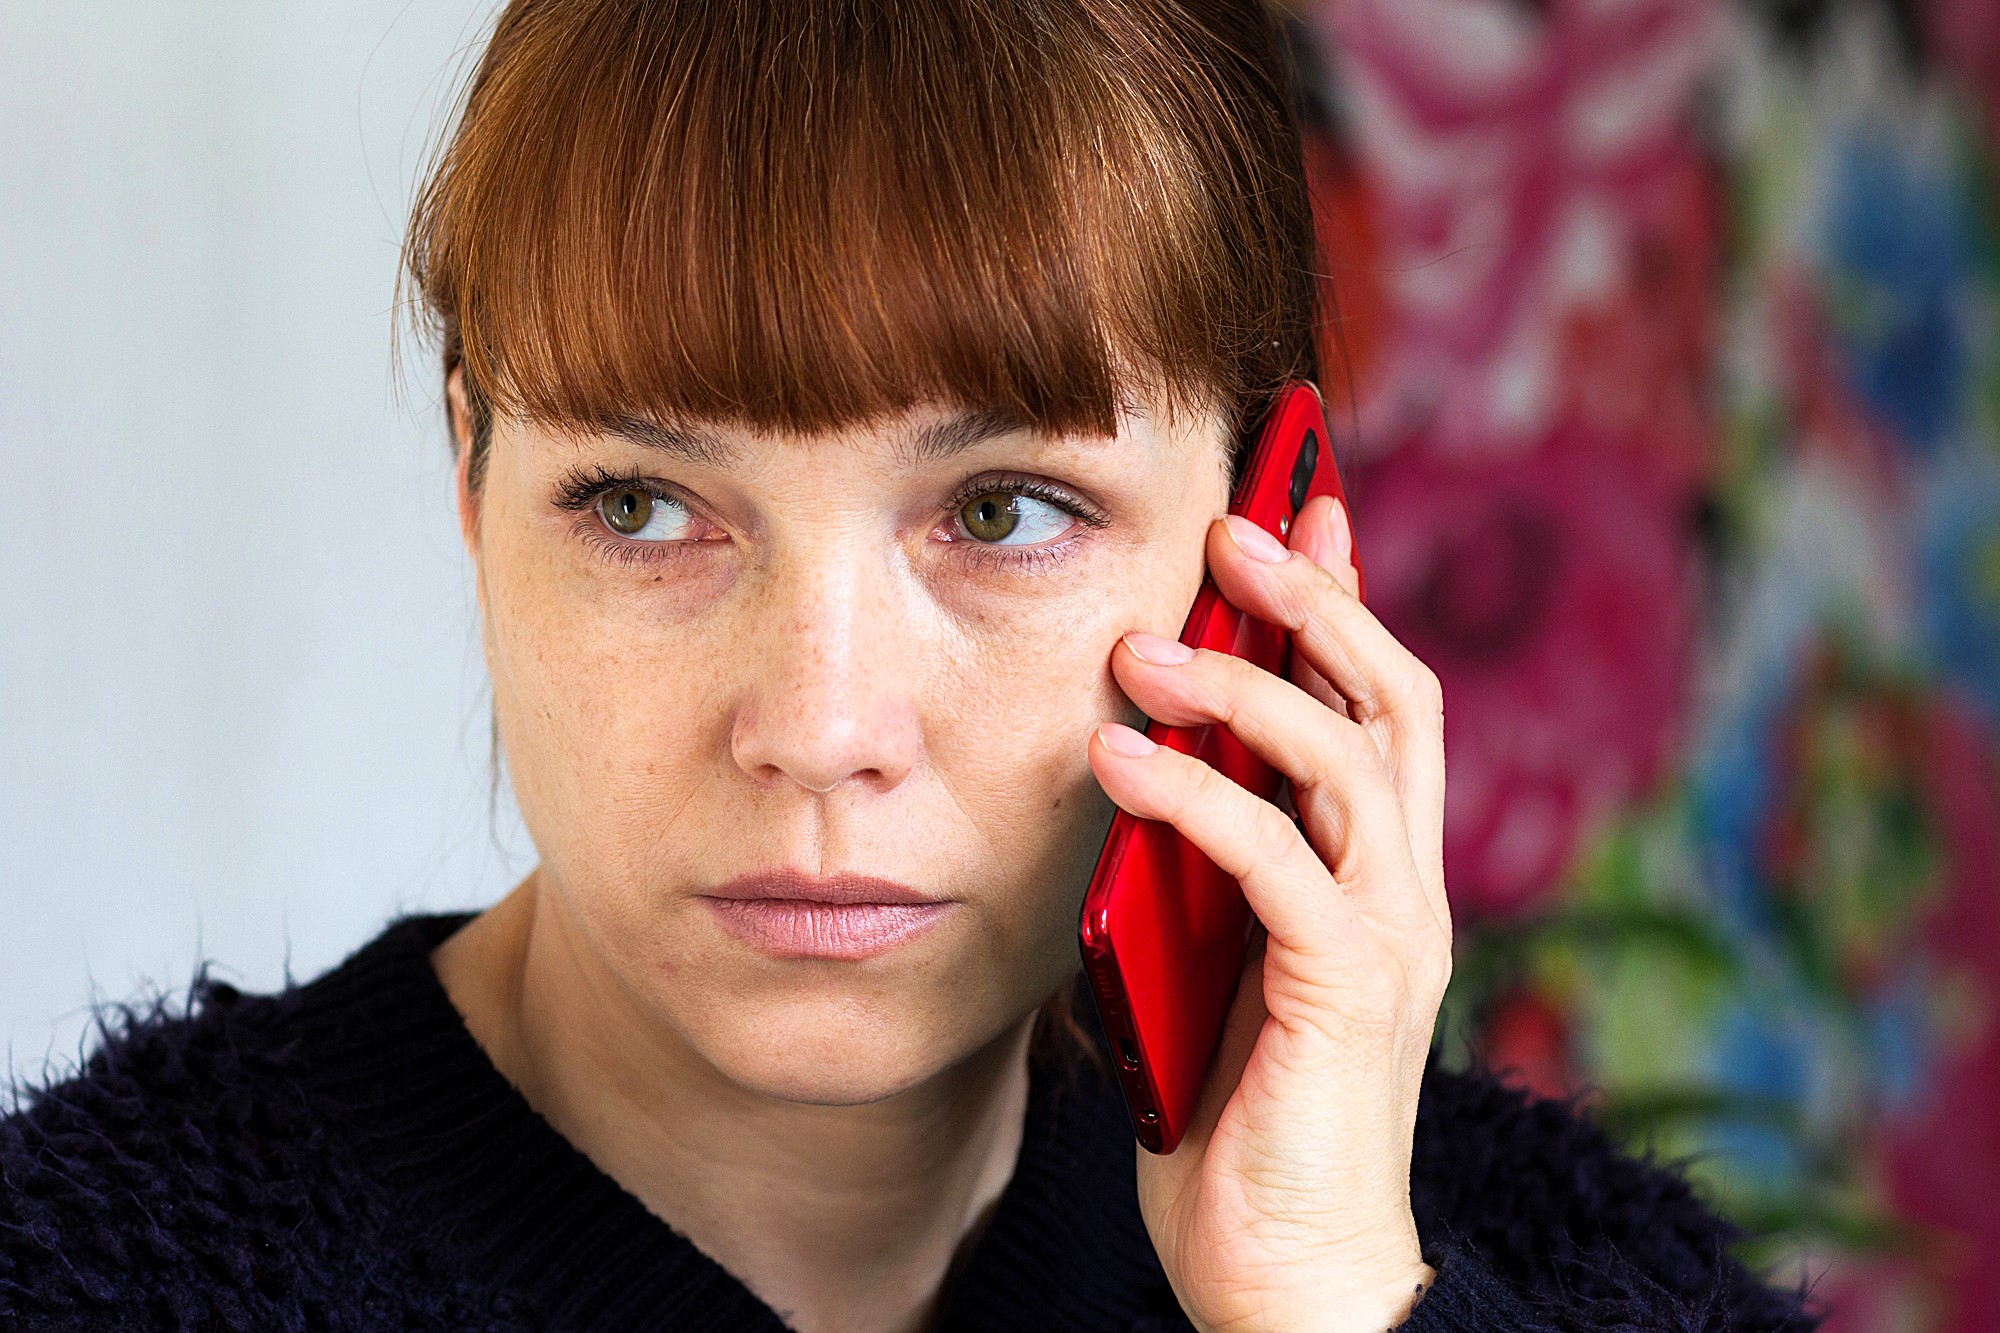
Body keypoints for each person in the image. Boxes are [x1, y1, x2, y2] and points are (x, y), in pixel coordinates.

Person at [0, 2, 1823, 1330]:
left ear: (1263, 542)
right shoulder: (96, 1273)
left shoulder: (1548, 1272)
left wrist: (1336, 1309)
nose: (818, 725)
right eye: (642, 504)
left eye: (1008, 511)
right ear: (473, 484)